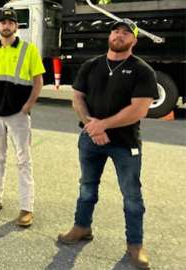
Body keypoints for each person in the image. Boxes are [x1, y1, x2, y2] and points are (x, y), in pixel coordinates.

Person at [57, 19, 157, 269]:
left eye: (126, 33)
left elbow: (139, 110)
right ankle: (82, 227)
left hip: (125, 144)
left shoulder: (142, 70)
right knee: (87, 187)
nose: (119, 35)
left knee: (131, 195)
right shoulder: (92, 65)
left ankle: (135, 244)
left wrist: (103, 125)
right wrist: (92, 126)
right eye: (116, 31)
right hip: (90, 140)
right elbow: (77, 98)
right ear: (109, 36)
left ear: (134, 40)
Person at [0, 8, 45, 228]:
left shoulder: (28, 50)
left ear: (16, 26)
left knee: (23, 159)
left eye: (10, 23)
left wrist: (28, 106)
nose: (6, 26)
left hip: (18, 112)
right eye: (3, 22)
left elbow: (38, 81)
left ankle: (27, 208)